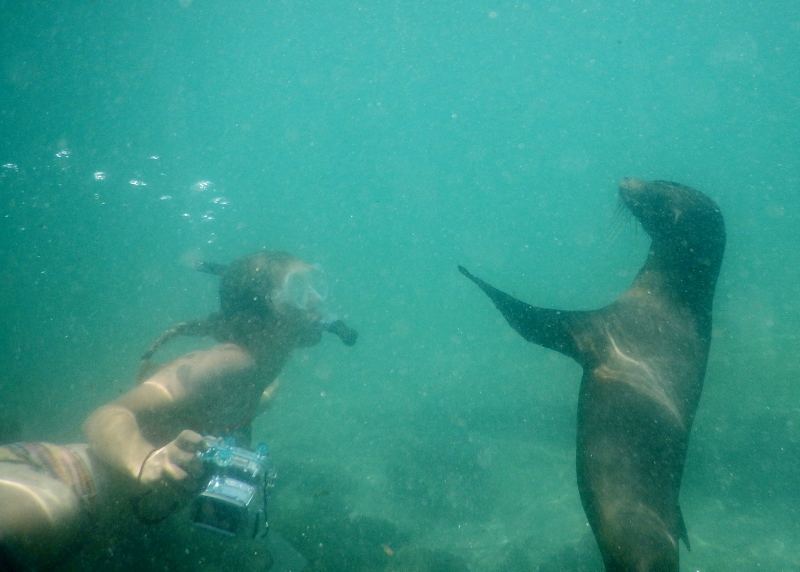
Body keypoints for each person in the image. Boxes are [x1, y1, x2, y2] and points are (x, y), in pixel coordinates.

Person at [0, 251, 357, 571]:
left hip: (84, 526)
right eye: (298, 289)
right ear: (256, 315)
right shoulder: (229, 364)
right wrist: (147, 460)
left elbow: (256, 400)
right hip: (61, 482)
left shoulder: (258, 375)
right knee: (57, 511)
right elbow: (105, 416)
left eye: (317, 284)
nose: (316, 300)